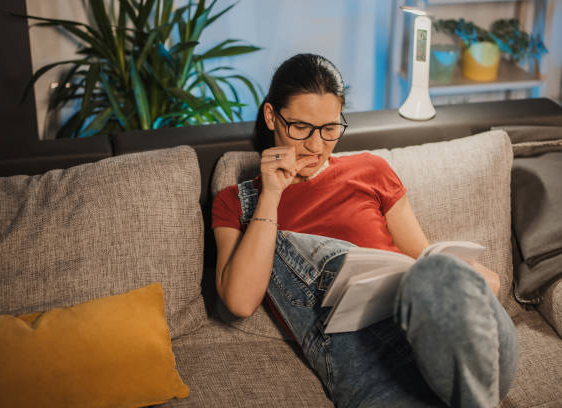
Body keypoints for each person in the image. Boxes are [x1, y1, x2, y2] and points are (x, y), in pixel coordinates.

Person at [211, 53, 518, 408]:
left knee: (437, 272)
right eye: (301, 128)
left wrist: (474, 279)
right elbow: (239, 301)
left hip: (454, 340)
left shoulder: (370, 169)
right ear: (270, 117)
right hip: (373, 367)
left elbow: (423, 258)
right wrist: (271, 195)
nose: (316, 145)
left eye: (329, 129)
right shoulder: (238, 202)